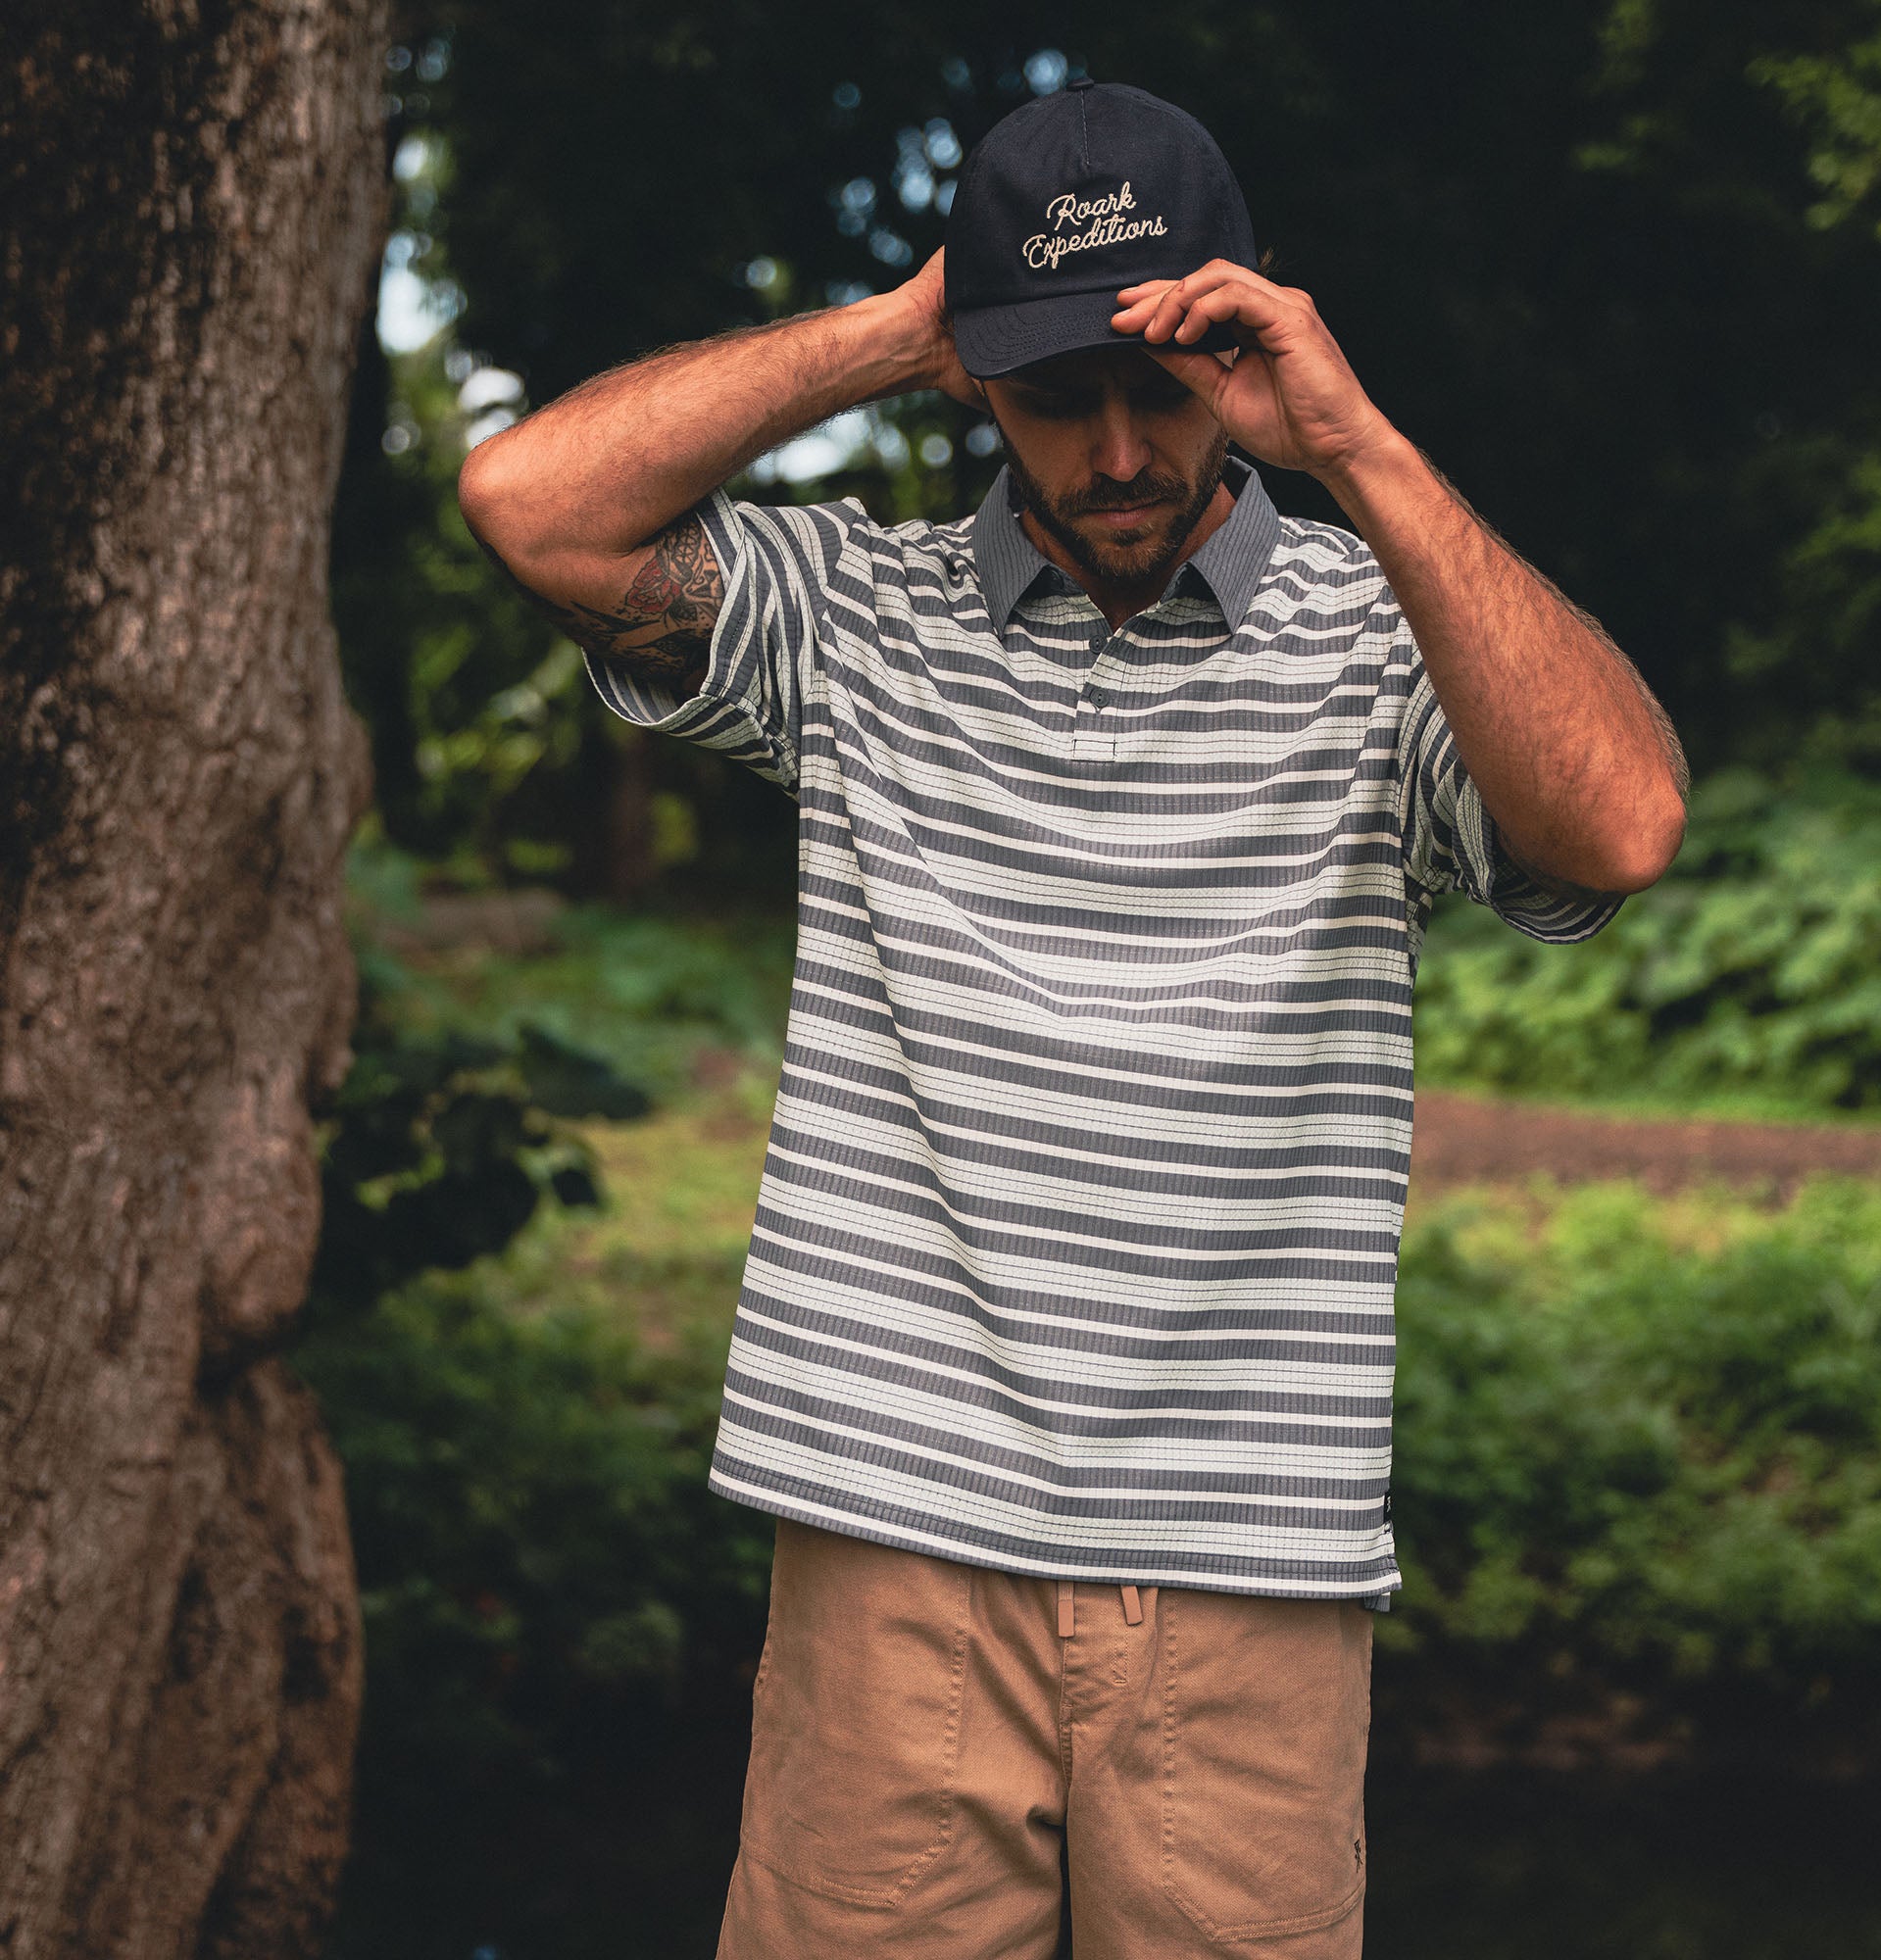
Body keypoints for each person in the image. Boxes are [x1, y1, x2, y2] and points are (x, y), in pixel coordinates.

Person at [458, 75, 1687, 1960]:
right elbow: (525, 502)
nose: (1117, 450)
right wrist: (895, 327)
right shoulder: (859, 617)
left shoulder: (1386, 643)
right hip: (893, 1537)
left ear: (1246, 334)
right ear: (982, 381)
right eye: (1055, 392)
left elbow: (1619, 821)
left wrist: (1357, 444)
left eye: (1163, 382)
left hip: (1246, 1565)